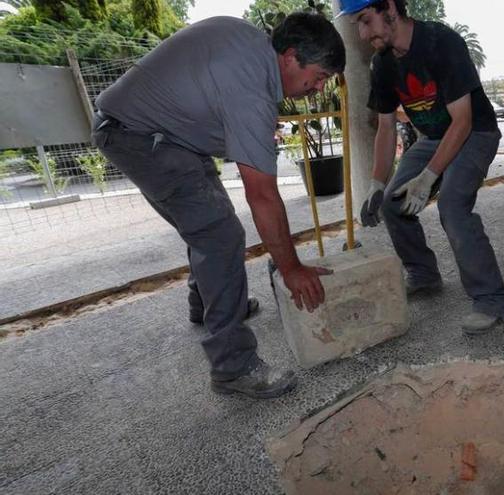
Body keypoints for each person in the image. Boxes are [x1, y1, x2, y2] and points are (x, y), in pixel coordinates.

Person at [91, 13, 346, 399]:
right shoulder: (251, 89)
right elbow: (261, 194)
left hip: (165, 135)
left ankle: (207, 303)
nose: (318, 88)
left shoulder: (248, 47)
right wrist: (291, 267)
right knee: (220, 235)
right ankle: (233, 367)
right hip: (138, 136)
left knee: (208, 221)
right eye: (320, 75)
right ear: (291, 57)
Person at [339, 0, 504, 335]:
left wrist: (429, 176)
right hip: (434, 136)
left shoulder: (440, 43)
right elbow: (386, 128)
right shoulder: (383, 64)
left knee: (452, 206)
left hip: (476, 131)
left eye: (365, 20)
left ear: (389, 6)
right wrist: (376, 183)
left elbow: (462, 121)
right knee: (391, 202)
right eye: (357, 25)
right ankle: (424, 274)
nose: (362, 34)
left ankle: (491, 298)